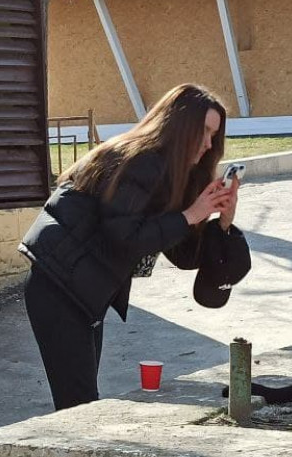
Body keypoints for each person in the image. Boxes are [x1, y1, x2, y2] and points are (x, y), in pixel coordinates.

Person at [19, 84, 242, 411]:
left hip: (81, 292)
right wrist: (189, 215)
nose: (209, 144)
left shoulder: (170, 173)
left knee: (79, 406)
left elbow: (182, 255)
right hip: (59, 286)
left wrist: (222, 220)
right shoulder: (140, 162)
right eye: (204, 132)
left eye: (214, 135)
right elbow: (123, 236)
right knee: (78, 407)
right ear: (180, 127)